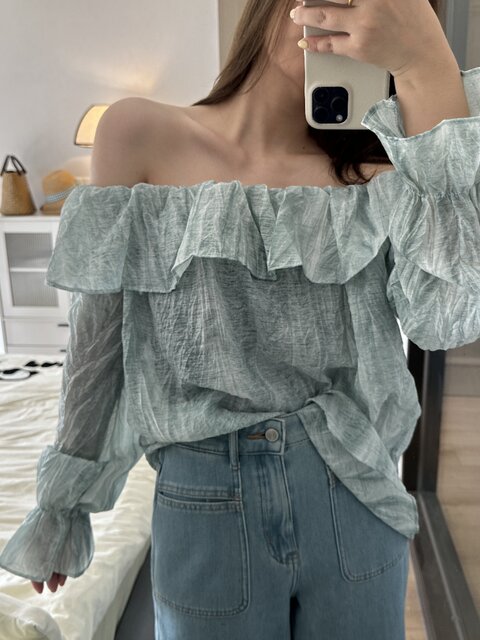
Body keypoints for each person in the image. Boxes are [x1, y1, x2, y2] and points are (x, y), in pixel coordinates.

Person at [0, 0, 477, 638]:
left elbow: (446, 320)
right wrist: (64, 503)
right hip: (205, 500)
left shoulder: (383, 167)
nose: (348, 23)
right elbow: (99, 343)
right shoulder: (138, 132)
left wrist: (427, 70)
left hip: (357, 492)